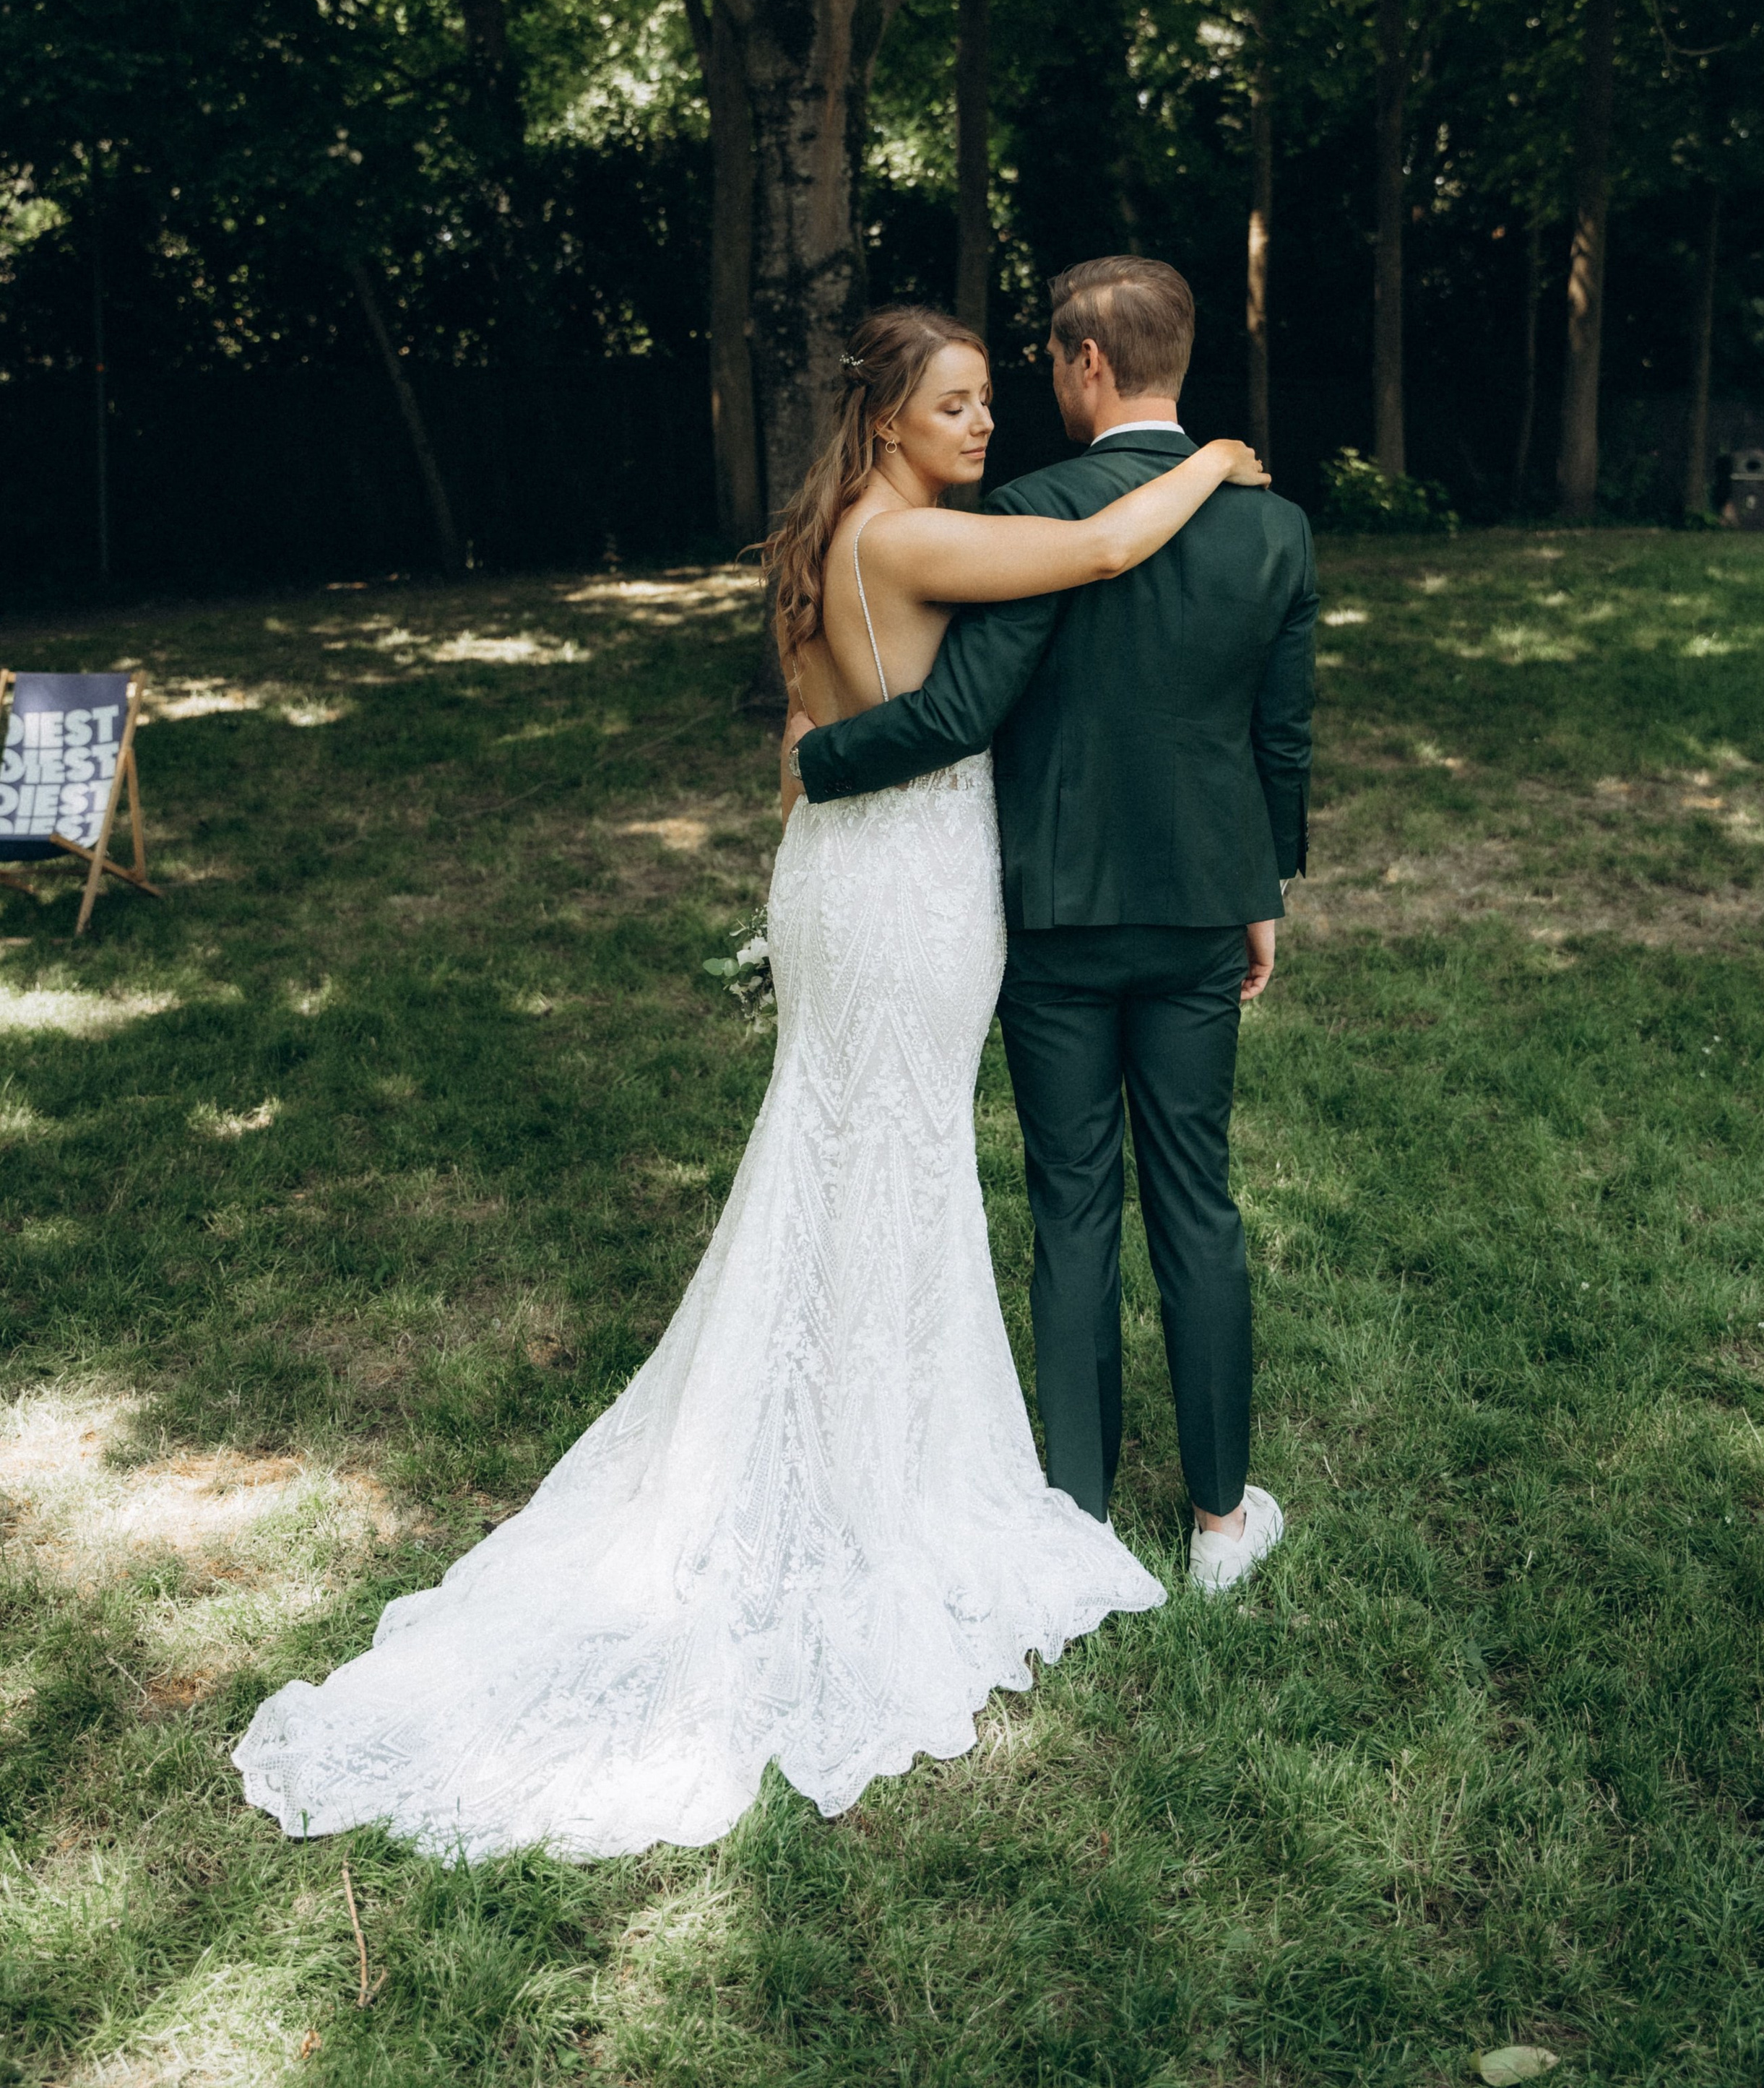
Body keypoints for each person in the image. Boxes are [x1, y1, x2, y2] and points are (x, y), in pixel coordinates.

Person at [233, 302, 1266, 1864]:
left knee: (841, 1159)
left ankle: (851, 1433)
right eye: (958, 406)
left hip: (833, 879)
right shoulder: (911, 542)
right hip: (910, 893)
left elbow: (813, 725)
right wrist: (1218, 465)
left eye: (993, 401)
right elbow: (1108, 551)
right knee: (890, 1165)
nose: (984, 427)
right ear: (890, 417)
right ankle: (870, 1486)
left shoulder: (822, 534)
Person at [790, 257, 1318, 1594]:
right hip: (1203, 905)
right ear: (1177, 356)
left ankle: (1075, 1516)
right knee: (1198, 1198)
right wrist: (1263, 893)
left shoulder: (1026, 509)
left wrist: (819, 759)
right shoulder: (1276, 528)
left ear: (1088, 363)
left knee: (1073, 1202)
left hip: (1052, 913)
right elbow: (1280, 740)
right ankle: (1214, 1526)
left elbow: (963, 708)